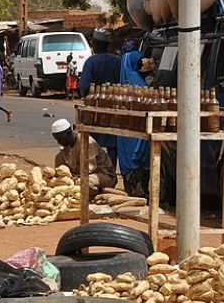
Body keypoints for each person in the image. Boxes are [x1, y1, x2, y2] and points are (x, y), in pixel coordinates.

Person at [80, 28, 122, 168]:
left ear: (95, 44)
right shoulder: (117, 61)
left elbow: (84, 86)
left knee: (91, 141)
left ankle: (94, 171)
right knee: (113, 143)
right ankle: (111, 172)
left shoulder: (91, 62)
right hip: (115, 109)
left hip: (95, 110)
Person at [117, 45, 150, 197]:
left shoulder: (123, 81)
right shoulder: (140, 82)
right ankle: (140, 188)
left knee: (127, 153)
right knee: (139, 157)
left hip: (125, 129)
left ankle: (132, 186)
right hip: (138, 130)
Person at [51, 118, 116, 194]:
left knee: (82, 182)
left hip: (103, 175)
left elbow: (88, 170)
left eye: (60, 138)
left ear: (68, 132)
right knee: (59, 161)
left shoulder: (87, 142)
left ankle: (97, 191)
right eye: (56, 139)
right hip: (79, 176)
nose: (58, 142)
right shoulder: (66, 147)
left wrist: (72, 179)